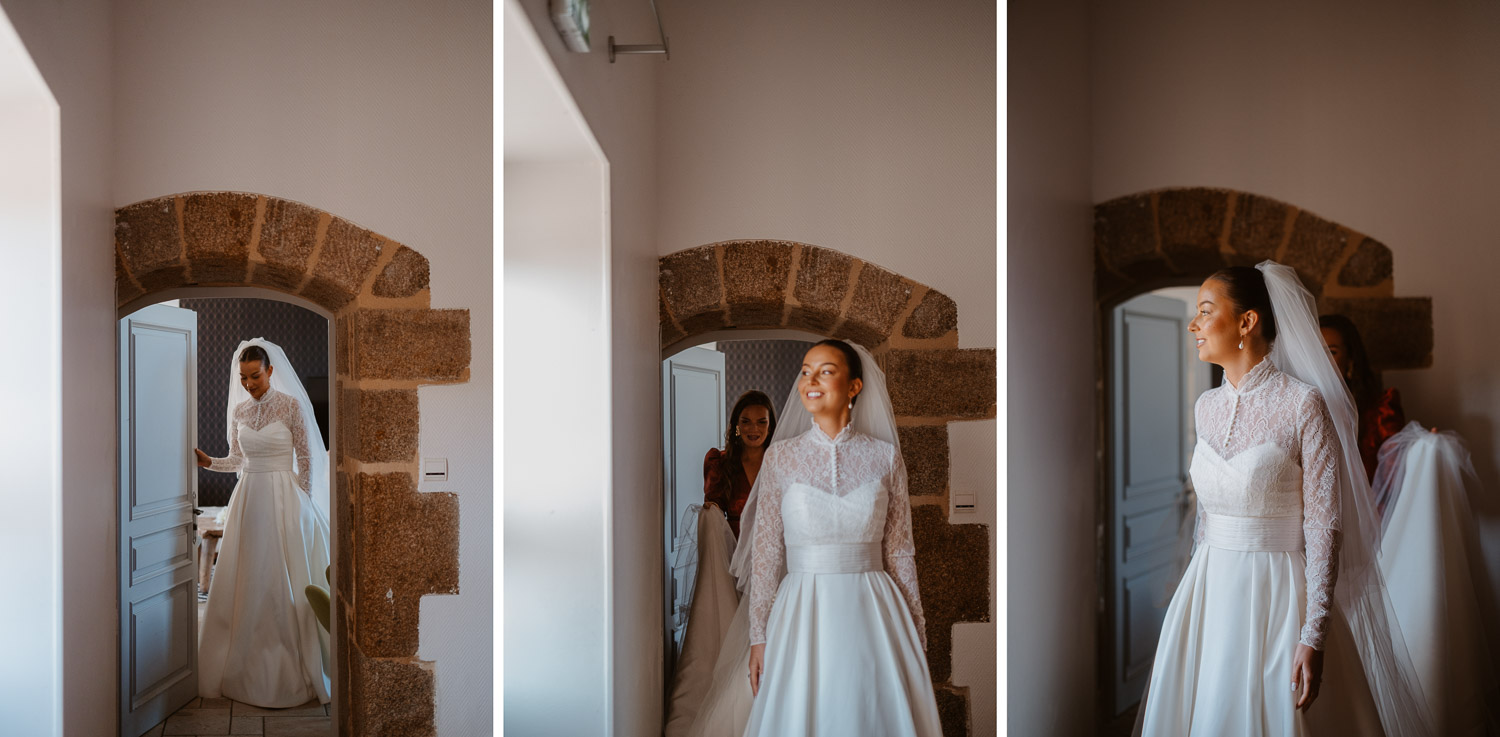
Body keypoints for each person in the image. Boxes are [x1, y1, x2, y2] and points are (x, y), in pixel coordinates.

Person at [1136, 263, 1430, 736]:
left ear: (1247, 322)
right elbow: (1207, 518)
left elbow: (1323, 524)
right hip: (1210, 591)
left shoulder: (1302, 403)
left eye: (1206, 311)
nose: (1194, 324)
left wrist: (1314, 632)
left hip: (1278, 594)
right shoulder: (1205, 407)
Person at [738, 339, 942, 736]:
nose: (810, 380)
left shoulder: (885, 458)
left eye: (826, 371)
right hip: (801, 611)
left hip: (875, 611)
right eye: (805, 370)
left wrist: (917, 630)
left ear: (854, 387)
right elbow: (765, 553)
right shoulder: (780, 457)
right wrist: (758, 636)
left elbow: (900, 551)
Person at [193, 339, 332, 708]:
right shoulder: (239, 412)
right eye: (243, 378)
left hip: (285, 496)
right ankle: (241, 660)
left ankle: (289, 662)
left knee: (280, 576)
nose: (249, 384)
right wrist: (210, 463)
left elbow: (307, 458)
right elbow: (237, 460)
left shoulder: (291, 407)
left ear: (270, 371)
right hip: (249, 497)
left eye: (255, 376)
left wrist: (301, 501)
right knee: (248, 576)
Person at [1319, 314, 1406, 487]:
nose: (1321, 360)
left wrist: (1425, 450)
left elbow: (1399, 469)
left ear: (1350, 361)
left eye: (1332, 352)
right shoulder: (1300, 408)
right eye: (1316, 352)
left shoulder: (1381, 410)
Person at [703, 391, 778, 538]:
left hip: (774, 550)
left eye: (761, 422)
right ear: (737, 425)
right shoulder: (720, 463)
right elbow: (714, 513)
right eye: (746, 421)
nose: (753, 428)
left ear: (770, 427)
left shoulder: (781, 462)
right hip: (735, 551)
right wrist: (711, 509)